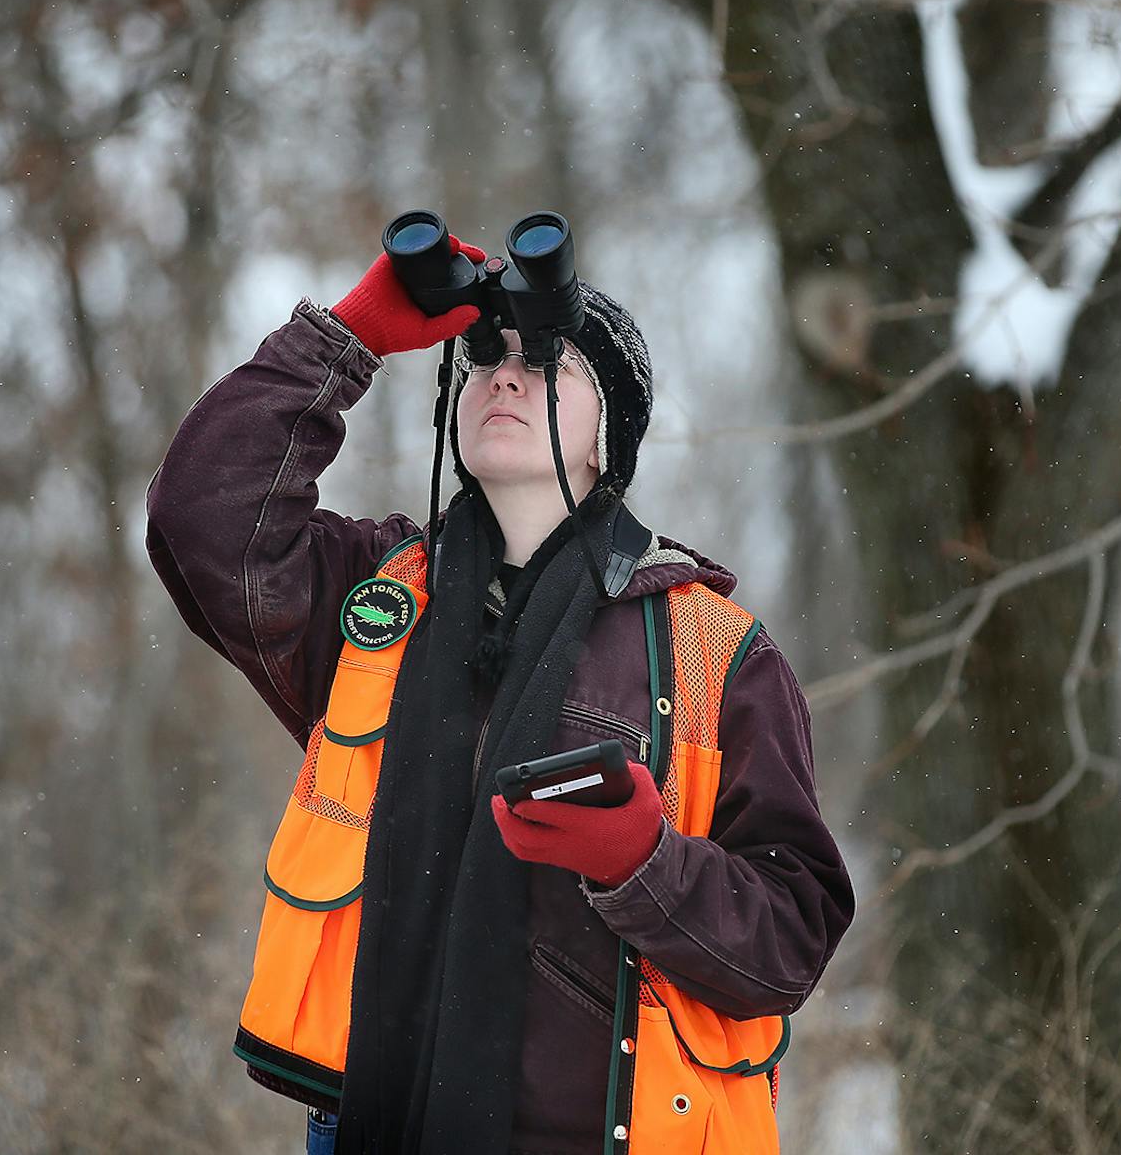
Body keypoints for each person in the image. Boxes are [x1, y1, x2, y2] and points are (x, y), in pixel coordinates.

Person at [144, 229, 853, 1154]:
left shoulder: (715, 654)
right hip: (371, 1126)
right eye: (482, 357)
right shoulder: (379, 599)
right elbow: (201, 515)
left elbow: (792, 939)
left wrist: (645, 863)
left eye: (547, 360)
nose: (504, 377)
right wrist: (346, 339)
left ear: (612, 435)